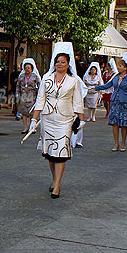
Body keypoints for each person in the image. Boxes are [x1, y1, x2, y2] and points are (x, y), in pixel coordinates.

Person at [27, 43, 85, 198]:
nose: (59, 64)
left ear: (68, 64)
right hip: (47, 119)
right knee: (51, 153)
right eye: (57, 61)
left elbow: (78, 101)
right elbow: (40, 99)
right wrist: (34, 120)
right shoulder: (47, 78)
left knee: (61, 150)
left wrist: (82, 119)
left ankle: (57, 184)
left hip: (65, 119)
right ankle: (54, 179)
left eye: (63, 62)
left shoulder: (73, 81)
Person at [93, 53, 127, 151]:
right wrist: (95, 88)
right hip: (115, 102)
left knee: (124, 124)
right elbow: (108, 85)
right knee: (115, 123)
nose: (118, 68)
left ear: (125, 68)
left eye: (120, 66)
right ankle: (116, 143)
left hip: (124, 103)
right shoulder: (116, 77)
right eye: (118, 66)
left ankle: (123, 143)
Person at [16, 58, 42, 133]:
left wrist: (39, 95)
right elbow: (18, 86)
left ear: (31, 69)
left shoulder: (35, 76)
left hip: (32, 96)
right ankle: (25, 128)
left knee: (31, 113)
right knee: (24, 113)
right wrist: (17, 95)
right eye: (26, 68)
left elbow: (39, 85)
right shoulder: (21, 76)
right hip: (23, 96)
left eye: (29, 68)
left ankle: (32, 127)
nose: (27, 69)